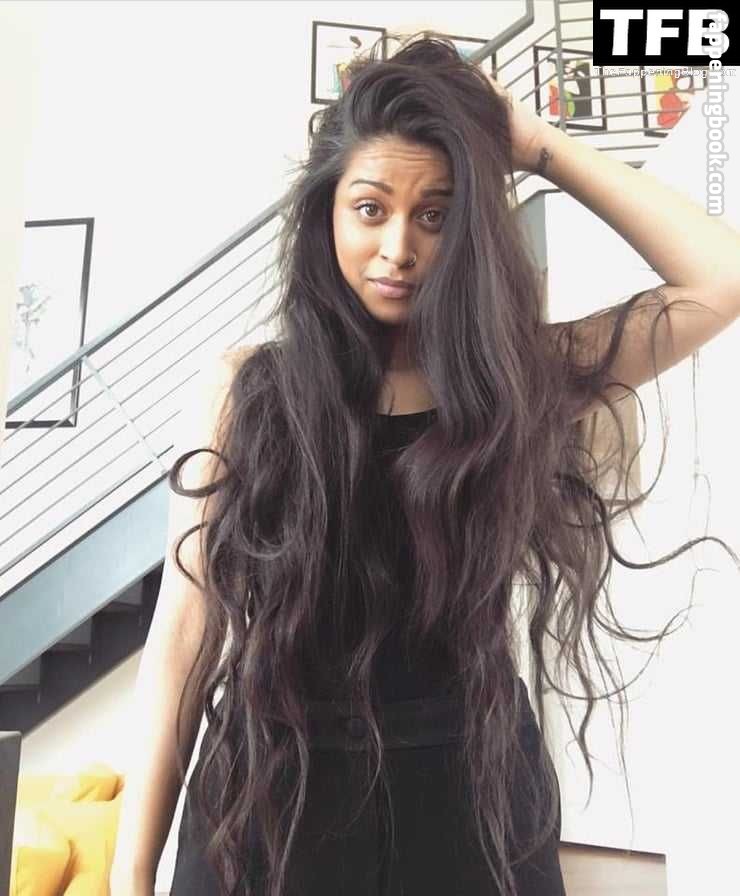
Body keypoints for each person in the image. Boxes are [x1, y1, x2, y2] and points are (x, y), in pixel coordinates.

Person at [110, 34, 740, 896]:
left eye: (435, 215)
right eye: (370, 209)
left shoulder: (519, 379)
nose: (398, 248)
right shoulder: (246, 389)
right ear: (327, 212)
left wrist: (536, 144)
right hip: (271, 804)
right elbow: (184, 636)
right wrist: (129, 873)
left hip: (471, 799)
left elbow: (718, 280)